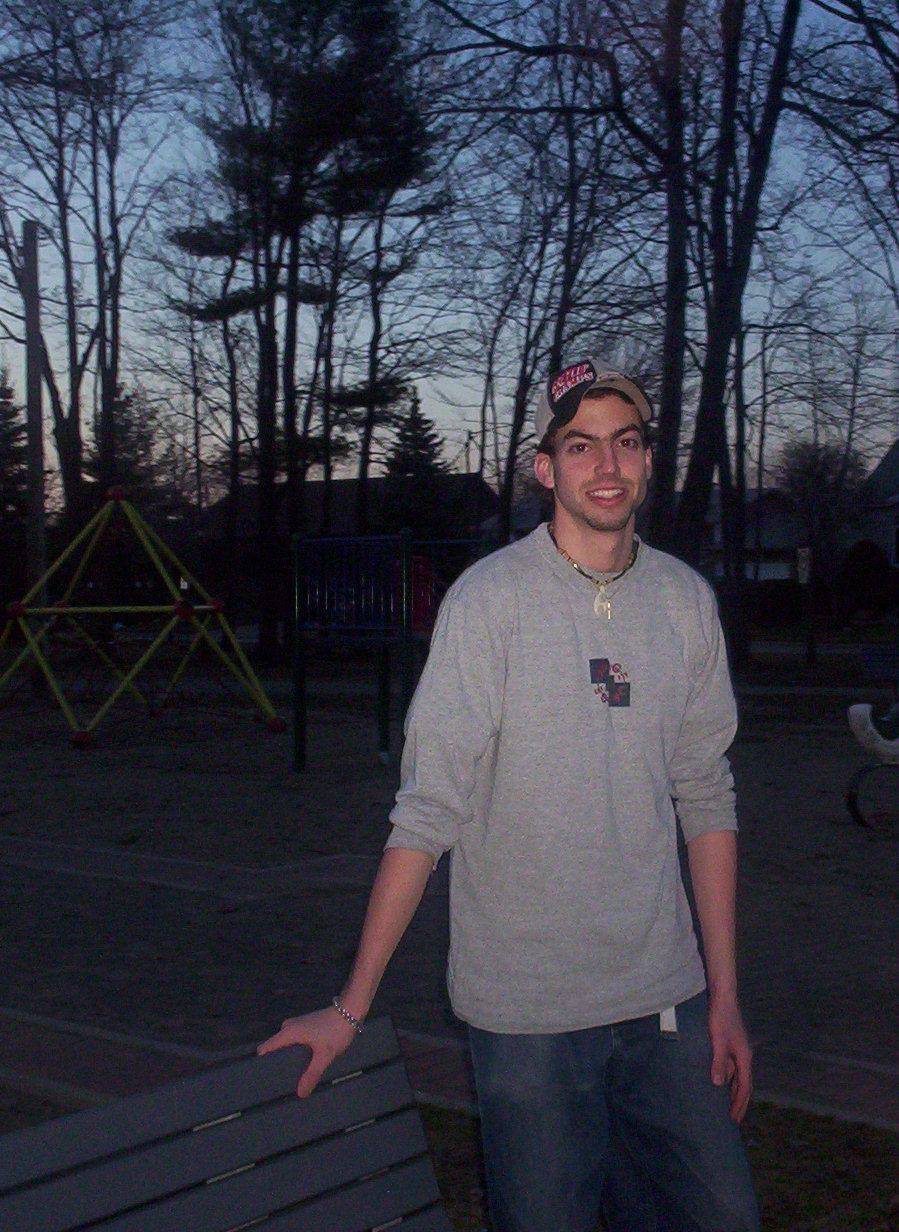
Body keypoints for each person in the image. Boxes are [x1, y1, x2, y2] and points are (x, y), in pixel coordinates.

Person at [260, 360, 758, 1232]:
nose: (607, 465)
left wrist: (724, 994)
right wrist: (350, 1007)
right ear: (545, 468)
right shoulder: (489, 603)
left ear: (648, 460)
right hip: (528, 1015)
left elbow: (706, 795)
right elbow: (427, 813)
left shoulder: (685, 602)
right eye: (581, 445)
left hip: (665, 1000)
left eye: (626, 441)